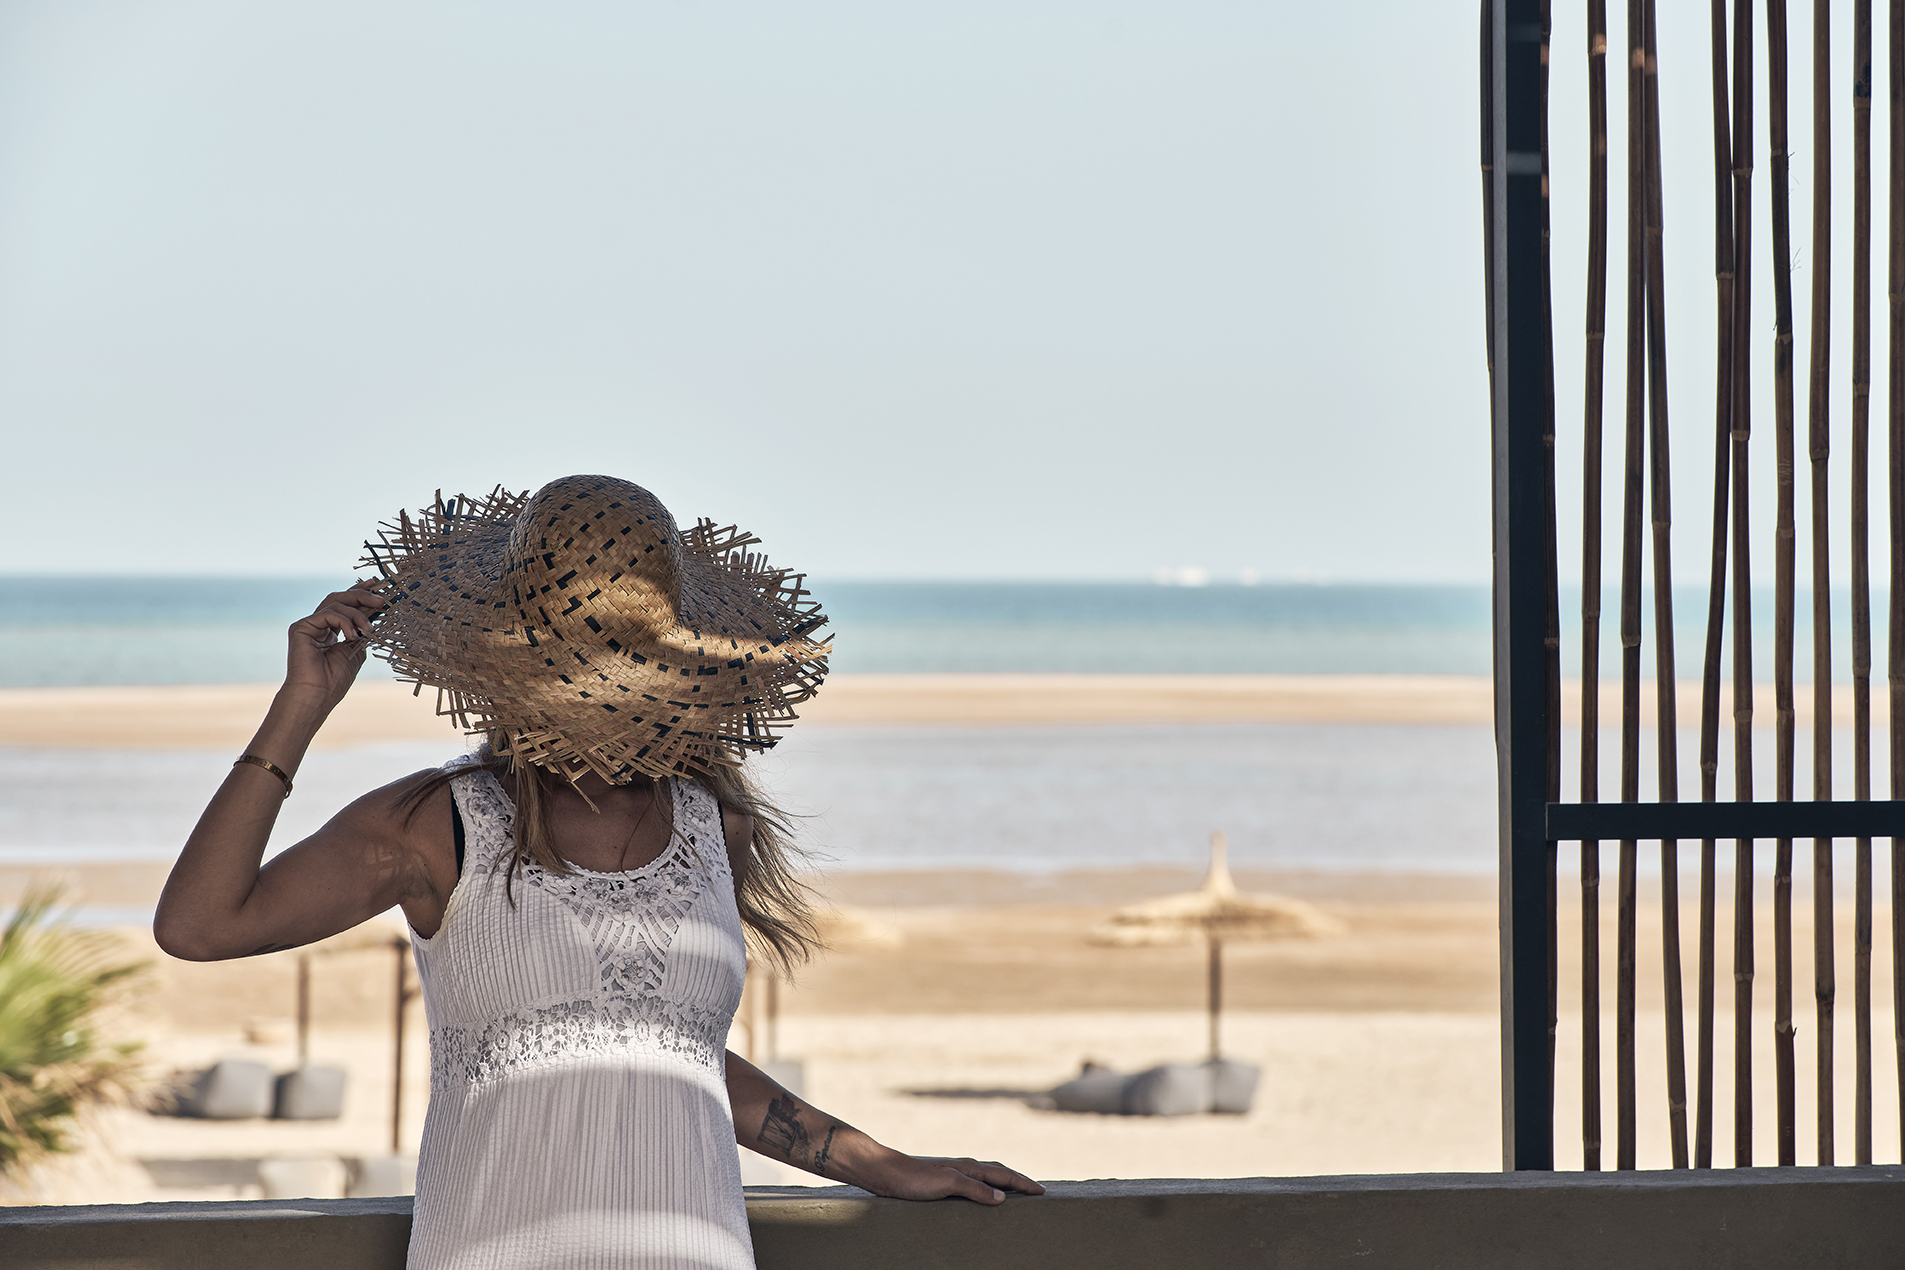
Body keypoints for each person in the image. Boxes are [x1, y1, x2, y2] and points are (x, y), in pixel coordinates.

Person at [154, 474, 1042, 1270]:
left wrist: (877, 1164)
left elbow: (671, 1055)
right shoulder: (438, 822)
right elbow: (200, 925)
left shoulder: (712, 825)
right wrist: (300, 706)